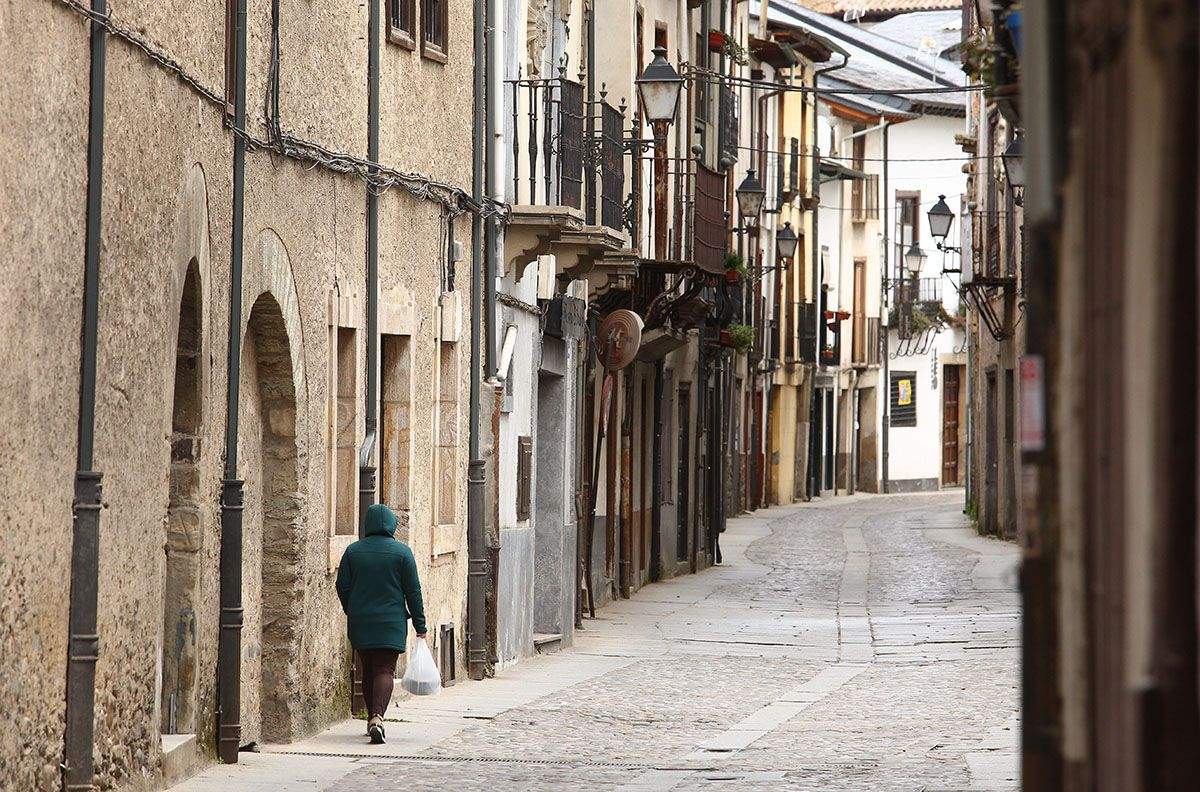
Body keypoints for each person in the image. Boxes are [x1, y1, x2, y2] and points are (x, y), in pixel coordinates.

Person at [336, 503, 426, 744]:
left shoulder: (353, 552)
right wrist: (420, 625)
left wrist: (351, 609)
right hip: (391, 622)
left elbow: (342, 586)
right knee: (385, 669)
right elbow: (413, 591)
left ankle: (370, 719)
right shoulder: (403, 553)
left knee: (367, 669)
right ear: (392, 525)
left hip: (361, 621)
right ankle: (378, 717)